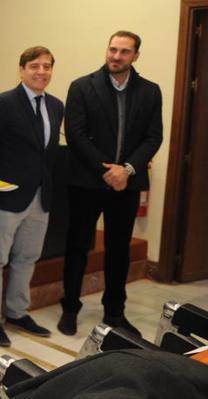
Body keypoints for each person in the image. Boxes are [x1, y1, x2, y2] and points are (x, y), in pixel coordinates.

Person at [57, 31, 162, 337]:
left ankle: (115, 312)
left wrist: (126, 169)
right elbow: (75, 133)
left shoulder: (150, 91)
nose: (116, 56)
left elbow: (154, 136)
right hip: (87, 181)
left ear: (135, 56)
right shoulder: (81, 86)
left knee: (119, 249)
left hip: (126, 185)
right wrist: (107, 169)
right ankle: (70, 308)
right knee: (77, 246)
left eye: (124, 52)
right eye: (113, 49)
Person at [0, 46, 64, 347]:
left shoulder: (55, 105)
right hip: (7, 197)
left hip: (41, 198)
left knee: (27, 258)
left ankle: (17, 312)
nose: (41, 72)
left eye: (47, 66)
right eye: (35, 66)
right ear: (22, 70)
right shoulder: (3, 103)